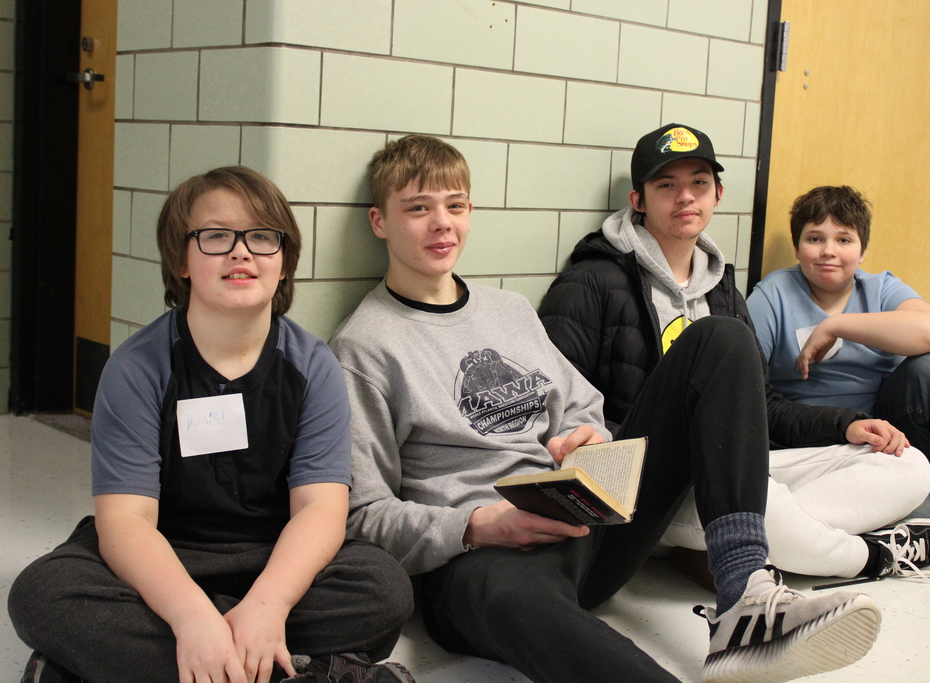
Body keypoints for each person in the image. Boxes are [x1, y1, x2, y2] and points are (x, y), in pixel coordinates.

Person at [331, 134, 884, 683]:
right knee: (510, 601)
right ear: (380, 222)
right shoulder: (365, 346)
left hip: (585, 524)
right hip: (482, 561)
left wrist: (588, 436)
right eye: (418, 209)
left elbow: (582, 406)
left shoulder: (508, 310)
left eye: (454, 206)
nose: (441, 223)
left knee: (721, 340)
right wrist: (476, 525)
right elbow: (363, 517)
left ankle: (743, 595)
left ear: (471, 212)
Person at [7, 167, 416, 683]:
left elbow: (319, 510)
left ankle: (130, 664)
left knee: (385, 589)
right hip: (162, 557)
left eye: (262, 237)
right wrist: (191, 616)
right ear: (181, 259)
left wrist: (267, 606)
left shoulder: (314, 366)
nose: (241, 251)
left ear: (285, 262)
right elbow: (126, 521)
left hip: (272, 557)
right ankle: (301, 670)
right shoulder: (137, 367)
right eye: (216, 236)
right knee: (42, 594)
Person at [538, 123, 930, 583]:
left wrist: (847, 425)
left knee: (909, 465)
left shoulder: (722, 290)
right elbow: (561, 408)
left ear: (717, 193)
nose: (686, 197)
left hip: (728, 472)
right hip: (647, 485)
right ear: (638, 200)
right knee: (756, 497)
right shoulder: (591, 282)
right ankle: (869, 557)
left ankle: (741, 547)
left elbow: (762, 407)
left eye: (698, 183)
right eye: (667, 185)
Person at [746, 185, 930, 535]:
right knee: (864, 509)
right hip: (815, 443)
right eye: (814, 239)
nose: (828, 251)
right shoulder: (771, 296)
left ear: (862, 251)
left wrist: (837, 325)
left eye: (844, 240)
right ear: (798, 247)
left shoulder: (880, 288)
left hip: (893, 438)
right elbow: (750, 388)